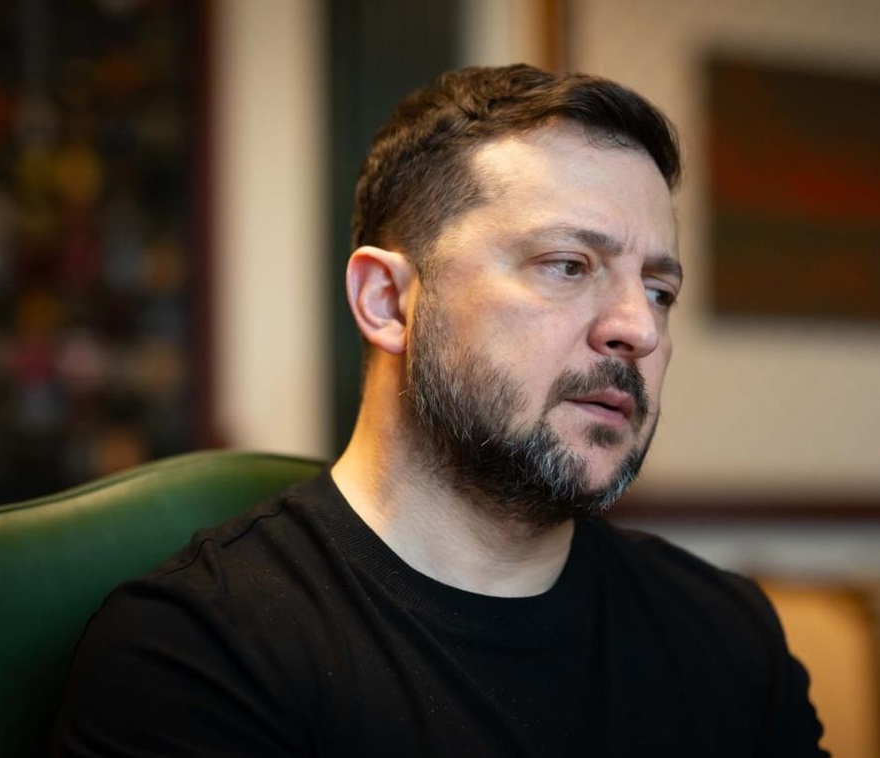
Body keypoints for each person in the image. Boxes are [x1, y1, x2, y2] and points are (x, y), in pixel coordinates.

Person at [52, 64, 829, 757]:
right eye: (568, 265)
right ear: (386, 301)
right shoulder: (200, 654)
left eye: (659, 290)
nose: (640, 327)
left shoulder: (726, 633)